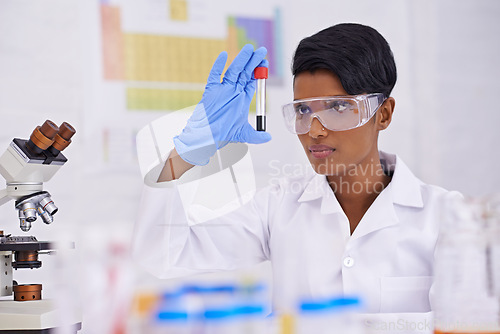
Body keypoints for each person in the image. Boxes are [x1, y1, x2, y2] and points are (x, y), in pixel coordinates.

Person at [133, 23, 454, 314]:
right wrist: (187, 153)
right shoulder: (278, 207)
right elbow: (164, 256)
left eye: (338, 106)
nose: (314, 129)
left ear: (383, 114)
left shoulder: (446, 218)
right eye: (302, 110)